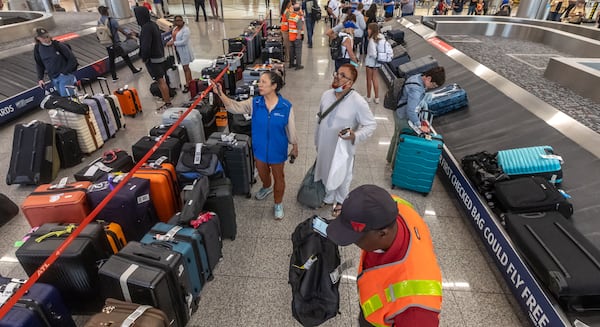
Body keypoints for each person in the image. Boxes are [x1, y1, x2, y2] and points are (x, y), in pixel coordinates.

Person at [326, 184, 443, 327]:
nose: (353, 243)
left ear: (382, 233)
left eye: (356, 238)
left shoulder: (416, 309)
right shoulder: (392, 207)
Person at [213, 72, 298, 220]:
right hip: (259, 150)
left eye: (264, 82)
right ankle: (266, 187)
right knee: (263, 174)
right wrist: (220, 93)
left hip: (277, 151)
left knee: (279, 178)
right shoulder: (255, 103)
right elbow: (234, 107)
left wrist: (295, 146)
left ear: (274, 86)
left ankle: (278, 203)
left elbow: (291, 129)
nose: (260, 84)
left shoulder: (286, 107)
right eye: (259, 81)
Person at [314, 64, 376, 214]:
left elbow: (371, 125)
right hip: (324, 143)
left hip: (342, 148)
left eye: (343, 75)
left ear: (350, 83)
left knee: (343, 173)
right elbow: (320, 116)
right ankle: (328, 197)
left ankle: (341, 201)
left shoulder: (357, 102)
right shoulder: (326, 95)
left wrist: (355, 135)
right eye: (337, 73)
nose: (337, 76)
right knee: (327, 169)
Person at [386, 67, 446, 165]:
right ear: (429, 78)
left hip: (398, 110)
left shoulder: (418, 76)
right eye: (433, 84)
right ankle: (395, 165)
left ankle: (389, 159)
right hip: (403, 116)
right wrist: (419, 125)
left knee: (396, 135)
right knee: (402, 141)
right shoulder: (416, 89)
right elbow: (411, 110)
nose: (433, 87)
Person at [134, 6, 171, 110]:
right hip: (160, 55)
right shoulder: (153, 24)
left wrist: (144, 57)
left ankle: (167, 103)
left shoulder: (145, 28)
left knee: (160, 81)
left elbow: (146, 46)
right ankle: (166, 100)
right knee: (161, 80)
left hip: (153, 59)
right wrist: (137, 35)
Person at [97, 6, 142, 82]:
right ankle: (134, 70)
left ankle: (114, 77)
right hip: (115, 43)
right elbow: (120, 29)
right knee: (125, 56)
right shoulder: (111, 20)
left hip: (107, 44)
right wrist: (128, 35)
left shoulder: (99, 21)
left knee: (112, 60)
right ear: (107, 12)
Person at [33, 27, 78, 97]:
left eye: (47, 36)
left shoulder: (58, 45)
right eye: (43, 37)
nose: (46, 38)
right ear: (38, 38)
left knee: (67, 96)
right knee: (64, 98)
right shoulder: (38, 48)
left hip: (64, 76)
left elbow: (72, 59)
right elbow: (39, 64)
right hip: (53, 77)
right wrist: (40, 78)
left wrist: (65, 72)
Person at [166, 16, 193, 93]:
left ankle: (188, 84)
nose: (178, 22)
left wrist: (173, 43)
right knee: (185, 67)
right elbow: (174, 37)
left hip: (184, 51)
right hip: (178, 51)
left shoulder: (186, 30)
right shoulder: (175, 29)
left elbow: (184, 41)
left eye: (179, 20)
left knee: (186, 68)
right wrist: (170, 41)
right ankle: (190, 82)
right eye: (176, 21)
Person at [364, 23, 382, 104]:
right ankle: (377, 98)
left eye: (369, 29)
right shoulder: (381, 37)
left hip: (370, 62)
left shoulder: (371, 40)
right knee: (375, 79)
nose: (367, 30)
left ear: (372, 30)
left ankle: (368, 97)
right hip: (377, 63)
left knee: (369, 80)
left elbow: (372, 53)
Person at [288, 3, 306, 70]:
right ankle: (298, 65)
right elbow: (299, 28)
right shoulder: (298, 18)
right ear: (299, 9)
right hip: (296, 37)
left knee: (291, 51)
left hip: (291, 36)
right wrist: (299, 35)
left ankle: (291, 64)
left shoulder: (290, 16)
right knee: (298, 51)